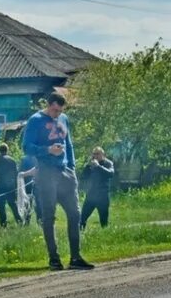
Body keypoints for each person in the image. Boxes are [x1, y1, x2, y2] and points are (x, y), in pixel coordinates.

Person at [22, 92, 94, 271]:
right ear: (48, 105)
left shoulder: (64, 119)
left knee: (75, 214)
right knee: (49, 216)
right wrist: (47, 150)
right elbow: (26, 147)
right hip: (46, 172)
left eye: (59, 111)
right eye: (54, 110)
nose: (56, 114)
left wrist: (72, 167)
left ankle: (75, 257)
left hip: (65, 172)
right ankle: (54, 259)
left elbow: (68, 144)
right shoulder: (35, 120)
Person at [80, 147, 115, 231]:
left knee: (104, 221)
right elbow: (83, 177)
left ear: (103, 154)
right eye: (94, 154)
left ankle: (104, 238)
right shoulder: (91, 165)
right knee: (82, 218)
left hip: (103, 196)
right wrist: (88, 166)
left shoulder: (108, 163)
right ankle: (80, 235)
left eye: (97, 154)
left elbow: (110, 174)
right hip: (91, 195)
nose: (95, 156)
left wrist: (98, 166)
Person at [19, 155, 41, 226]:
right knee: (38, 204)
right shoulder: (38, 158)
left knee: (28, 203)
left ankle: (27, 221)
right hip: (35, 183)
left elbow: (20, 171)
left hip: (27, 184)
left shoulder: (24, 159)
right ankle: (39, 221)